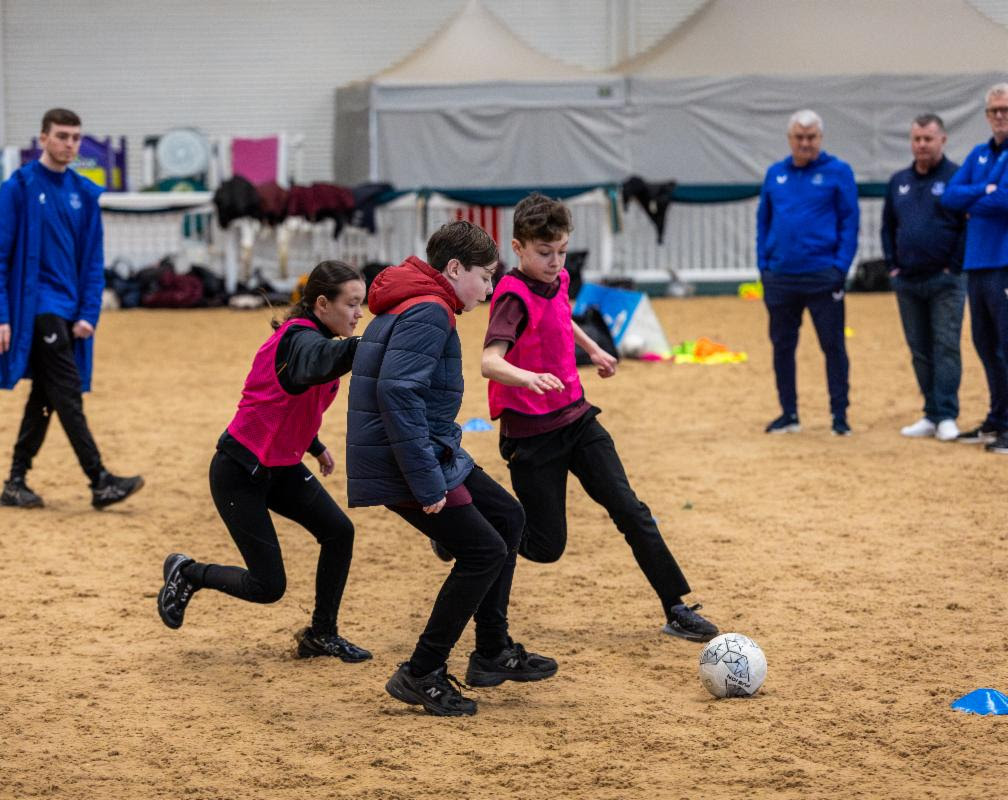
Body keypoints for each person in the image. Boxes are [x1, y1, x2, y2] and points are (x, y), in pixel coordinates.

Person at [476, 193, 718, 643]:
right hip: (531, 435)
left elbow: (560, 316)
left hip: (578, 420)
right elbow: (490, 362)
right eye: (544, 253)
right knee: (546, 547)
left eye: (562, 251)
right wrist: (528, 378)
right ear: (518, 248)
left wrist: (594, 349)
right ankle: (471, 531)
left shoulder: (559, 278)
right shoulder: (510, 296)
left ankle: (676, 607)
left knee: (631, 510)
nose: (555, 262)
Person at [348, 221, 555, 718]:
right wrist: (426, 482)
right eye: (485, 277)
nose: (489, 288)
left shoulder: (420, 300)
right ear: (455, 269)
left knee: (507, 517)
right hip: (406, 460)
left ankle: (492, 651)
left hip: (427, 449)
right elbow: (398, 394)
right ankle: (422, 671)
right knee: (483, 551)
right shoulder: (430, 309)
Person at [157, 261, 372, 663]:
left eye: (362, 304)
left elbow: (285, 399)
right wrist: (372, 344)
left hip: (280, 467)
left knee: (339, 532)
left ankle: (321, 634)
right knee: (267, 586)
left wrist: (314, 445)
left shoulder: (317, 339)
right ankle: (188, 572)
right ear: (322, 304)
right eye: (352, 303)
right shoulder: (300, 340)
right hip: (240, 471)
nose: (359, 314)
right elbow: (318, 361)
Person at [0, 107, 143, 508]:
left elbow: (93, 261)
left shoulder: (84, 194)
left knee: (46, 395)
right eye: (62, 136)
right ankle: (99, 480)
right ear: (43, 139)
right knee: (67, 392)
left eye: (75, 137)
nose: (70, 144)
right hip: (37, 309)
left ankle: (15, 482)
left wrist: (89, 312)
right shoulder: (18, 188)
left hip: (70, 310)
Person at [757, 109, 859, 436]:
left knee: (833, 346)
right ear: (790, 139)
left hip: (823, 276)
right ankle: (788, 413)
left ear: (820, 138)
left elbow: (850, 222)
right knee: (782, 348)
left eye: (811, 137)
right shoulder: (775, 174)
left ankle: (839, 416)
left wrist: (840, 267)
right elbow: (763, 221)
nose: (805, 143)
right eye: (799, 137)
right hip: (780, 277)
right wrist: (764, 266)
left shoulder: (839, 172)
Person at [881, 114, 966, 442]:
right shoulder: (898, 181)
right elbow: (888, 227)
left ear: (942, 140)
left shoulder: (957, 177)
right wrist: (893, 266)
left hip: (946, 281)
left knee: (946, 346)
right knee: (919, 349)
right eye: (916, 139)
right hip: (907, 281)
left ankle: (947, 414)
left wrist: (954, 266)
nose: (921, 145)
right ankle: (931, 413)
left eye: (928, 139)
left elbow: (967, 225)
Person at [941, 83, 1008, 455]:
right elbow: (950, 197)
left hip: (1004, 262)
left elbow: (1005, 200)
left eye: (1005, 109)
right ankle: (998, 418)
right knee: (986, 345)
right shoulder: (979, 154)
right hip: (978, 263)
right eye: (994, 110)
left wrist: (976, 196)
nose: (1000, 115)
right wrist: (985, 190)